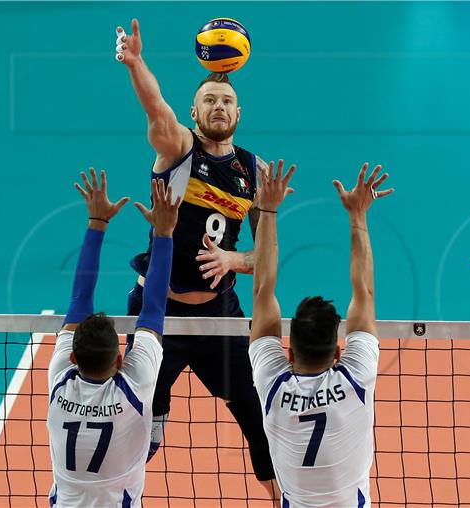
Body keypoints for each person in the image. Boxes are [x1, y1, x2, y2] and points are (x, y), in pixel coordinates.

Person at [114, 18, 278, 494]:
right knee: (139, 428)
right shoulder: (178, 148)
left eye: (226, 101)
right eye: (209, 100)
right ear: (194, 110)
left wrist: (235, 261)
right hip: (156, 315)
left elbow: (267, 256)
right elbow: (155, 108)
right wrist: (136, 62)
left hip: (218, 319)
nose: (219, 107)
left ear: (239, 113)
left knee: (256, 418)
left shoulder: (255, 171)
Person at [248, 161, 393, 506]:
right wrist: (358, 215)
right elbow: (365, 294)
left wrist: (266, 210)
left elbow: (261, 292)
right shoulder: (356, 377)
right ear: (338, 352)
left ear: (290, 353)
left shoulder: (272, 383)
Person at [47, 169, 181, 506]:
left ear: (74, 357)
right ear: (120, 360)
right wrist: (164, 231)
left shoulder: (61, 380)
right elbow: (153, 307)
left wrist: (97, 223)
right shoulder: (133, 387)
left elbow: (83, 302)